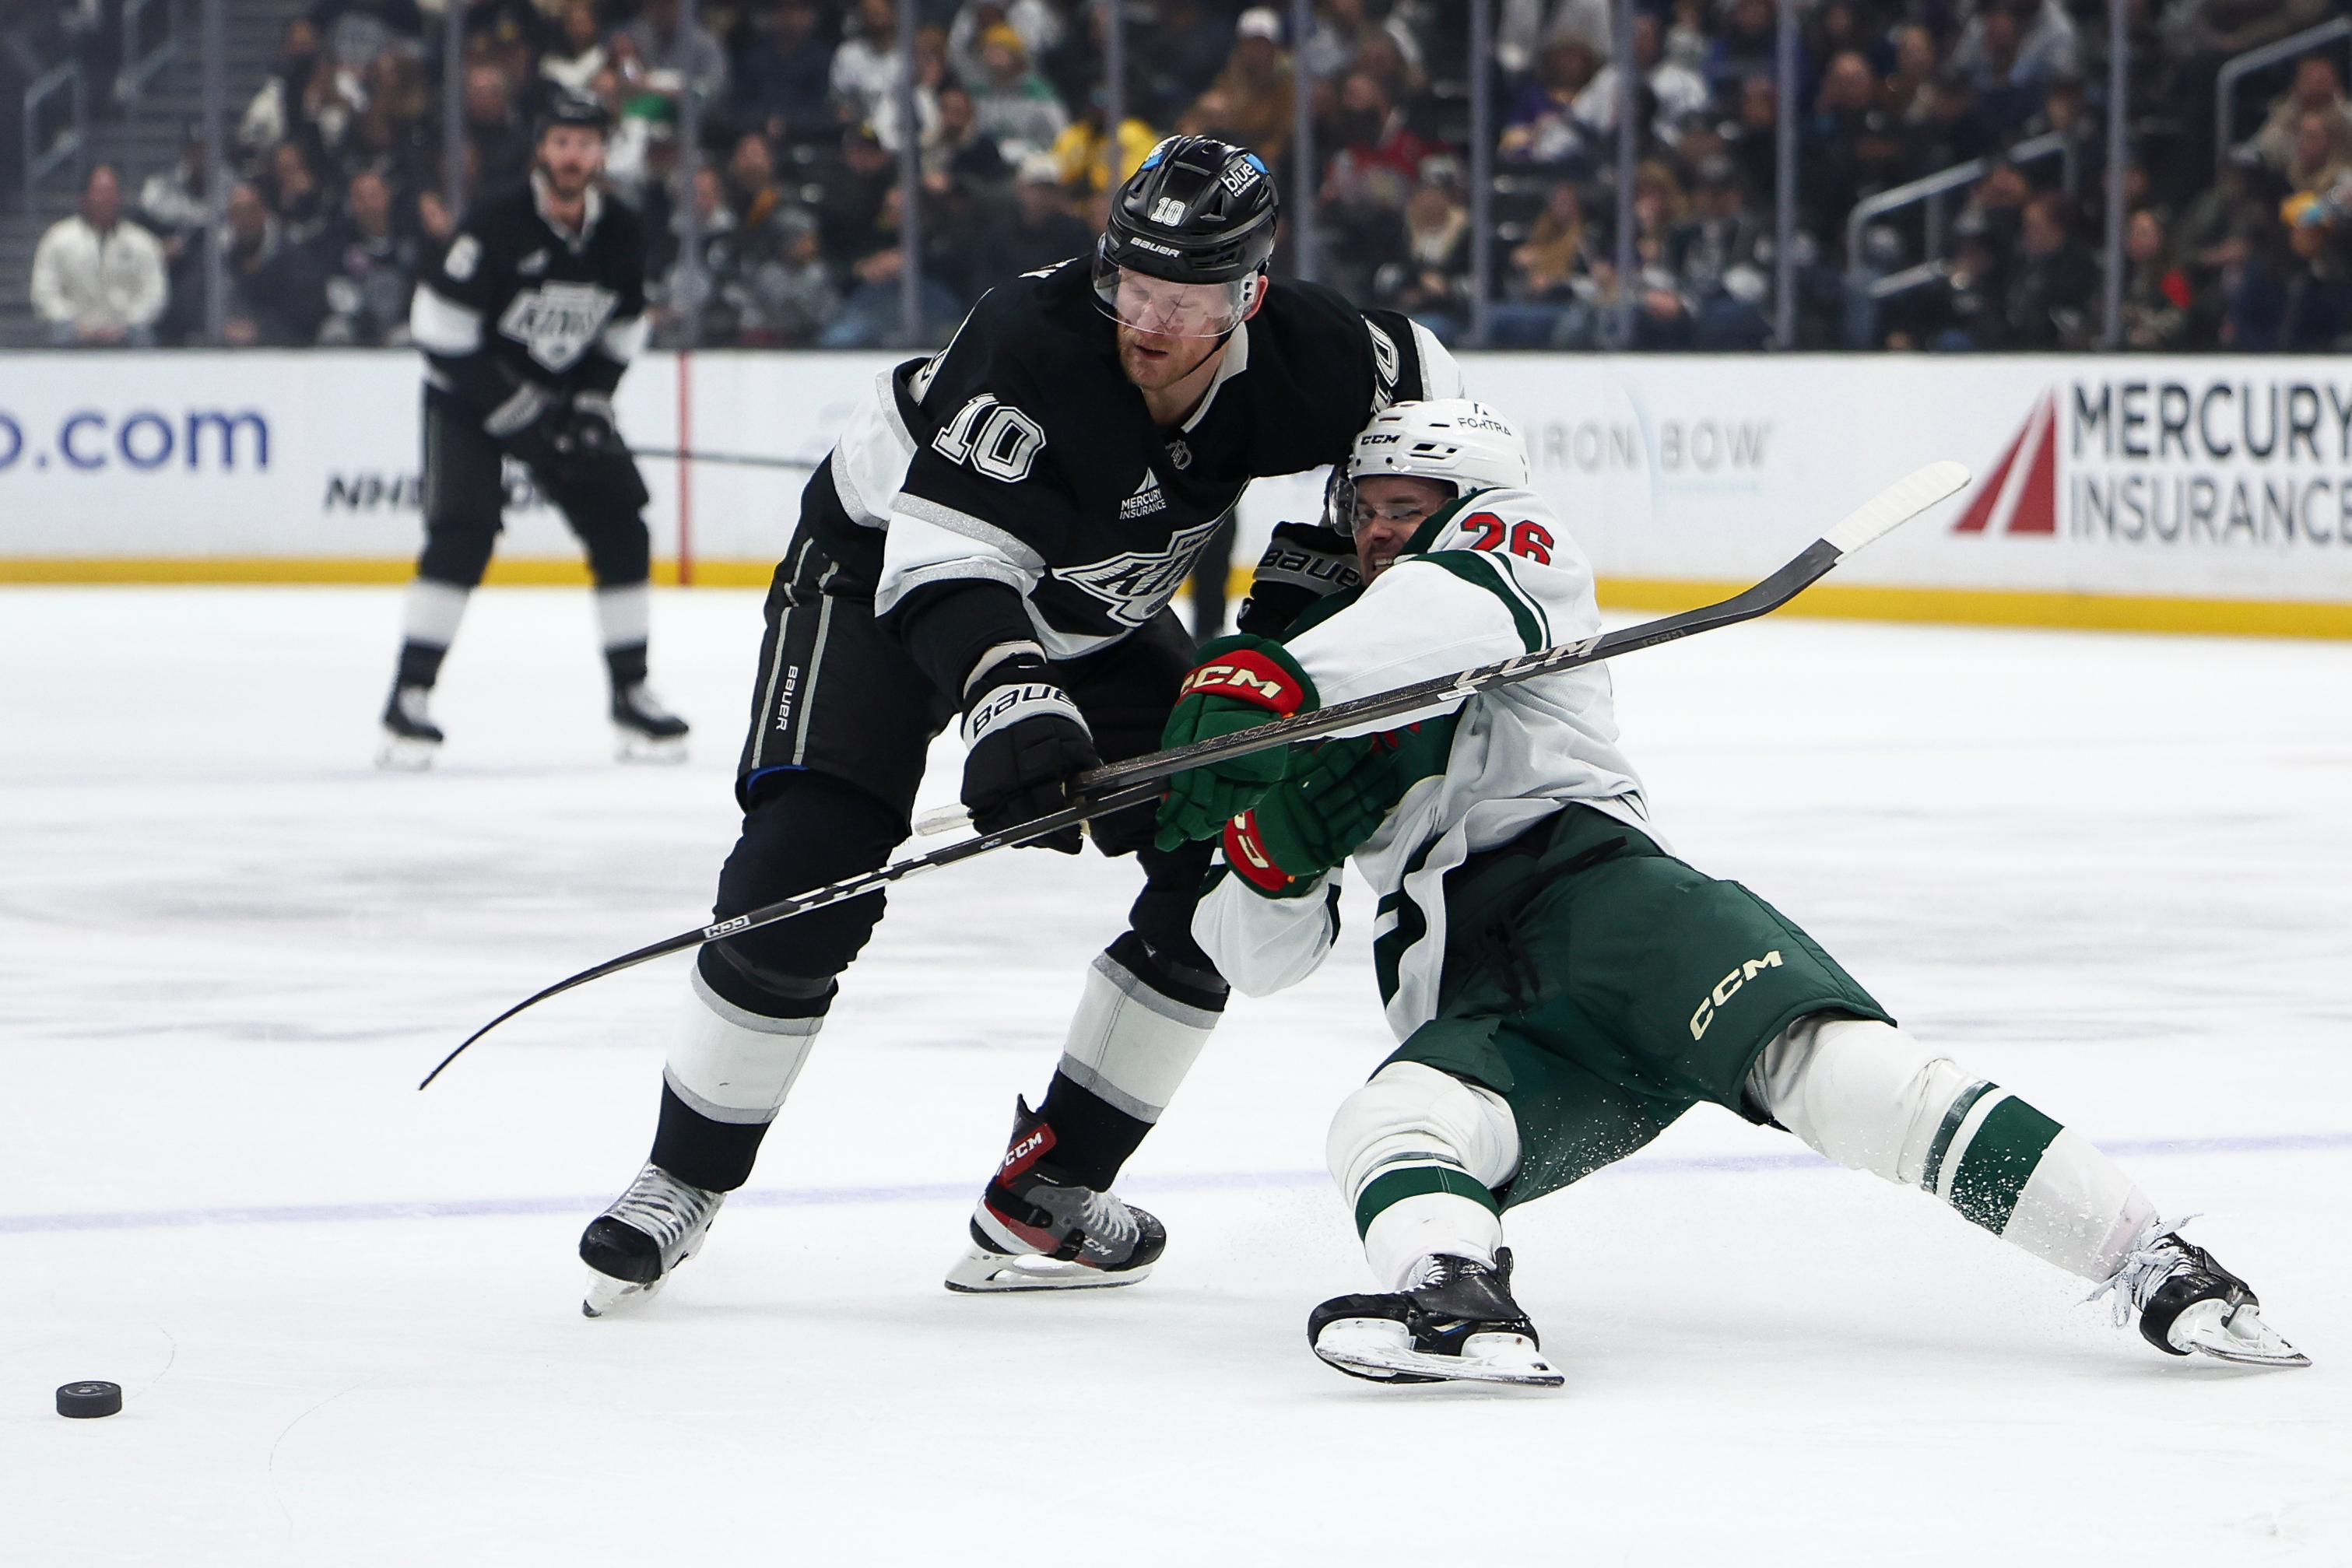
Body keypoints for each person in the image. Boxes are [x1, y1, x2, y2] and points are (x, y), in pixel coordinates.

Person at [1160, 398, 2312, 1386]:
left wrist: (1280, 676)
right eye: (1360, 510)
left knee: (1849, 1075)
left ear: (1464, 501)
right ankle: (1456, 1299)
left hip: (1613, 910)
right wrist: (1267, 858)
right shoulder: (1337, 666)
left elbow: (1445, 612)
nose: (1373, 531)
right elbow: (1263, 958)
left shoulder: (1514, 549)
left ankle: (2152, 1259)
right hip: (1481, 997)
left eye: (1401, 504)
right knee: (1385, 1122)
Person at [574, 134, 1460, 1315]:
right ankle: (678, 1177)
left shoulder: (1319, 358)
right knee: (810, 856)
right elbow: (944, 563)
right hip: (877, 572)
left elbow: (1430, 414)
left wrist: (1332, 583)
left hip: (1095, 608)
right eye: (1129, 285)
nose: (1146, 321)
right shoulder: (1028, 342)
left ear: (1247, 295)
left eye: (1183, 300)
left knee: (1225, 836)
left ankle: (1049, 1189)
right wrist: (1012, 707)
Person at [384, 91, 688, 768]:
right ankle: (407, 698)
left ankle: (631, 692)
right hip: (466, 400)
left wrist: (590, 404)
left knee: (620, 521)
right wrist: (520, 413)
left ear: (601, 153)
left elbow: (624, 327)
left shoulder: (621, 231)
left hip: (557, 400)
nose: (572, 156)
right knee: (463, 533)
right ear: (541, 151)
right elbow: (438, 329)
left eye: (584, 144)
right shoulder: (496, 222)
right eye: (560, 143)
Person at [30, 164, 167, 347]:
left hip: (127, 335)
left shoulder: (141, 242)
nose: (105, 199)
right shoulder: (58, 239)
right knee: (57, 333)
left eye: (111, 192)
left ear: (120, 196)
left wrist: (126, 325)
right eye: (99, 192)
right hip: (73, 335)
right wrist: (75, 325)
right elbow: (44, 293)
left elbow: (154, 294)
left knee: (144, 336)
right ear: (84, 197)